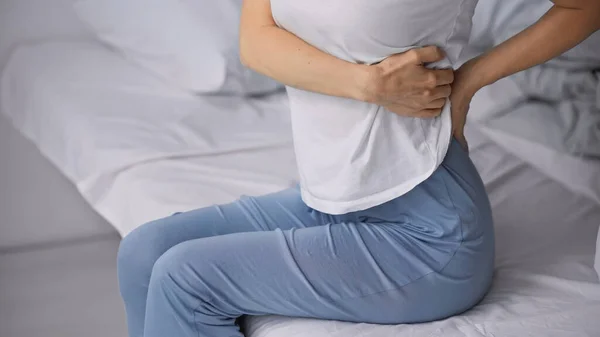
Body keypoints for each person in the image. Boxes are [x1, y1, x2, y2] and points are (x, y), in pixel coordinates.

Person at [116, 1, 600, 336]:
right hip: (333, 200)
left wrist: (469, 80)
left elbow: (584, 7)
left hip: (430, 233)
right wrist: (369, 85)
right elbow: (255, 41)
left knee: (186, 278)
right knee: (144, 251)